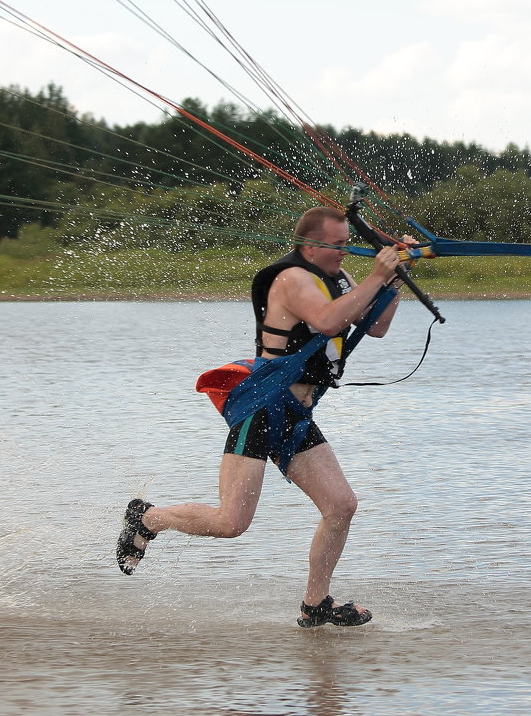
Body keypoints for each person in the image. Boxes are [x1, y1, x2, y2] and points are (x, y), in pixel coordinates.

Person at [116, 206, 406, 627]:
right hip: (263, 406)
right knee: (232, 522)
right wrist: (378, 275)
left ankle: (315, 603)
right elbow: (327, 321)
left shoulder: (337, 280)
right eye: (339, 245)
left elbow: (375, 325)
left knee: (341, 505)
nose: (347, 252)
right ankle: (146, 518)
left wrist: (394, 281)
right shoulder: (291, 278)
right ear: (311, 245)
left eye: (348, 244)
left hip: (296, 413)